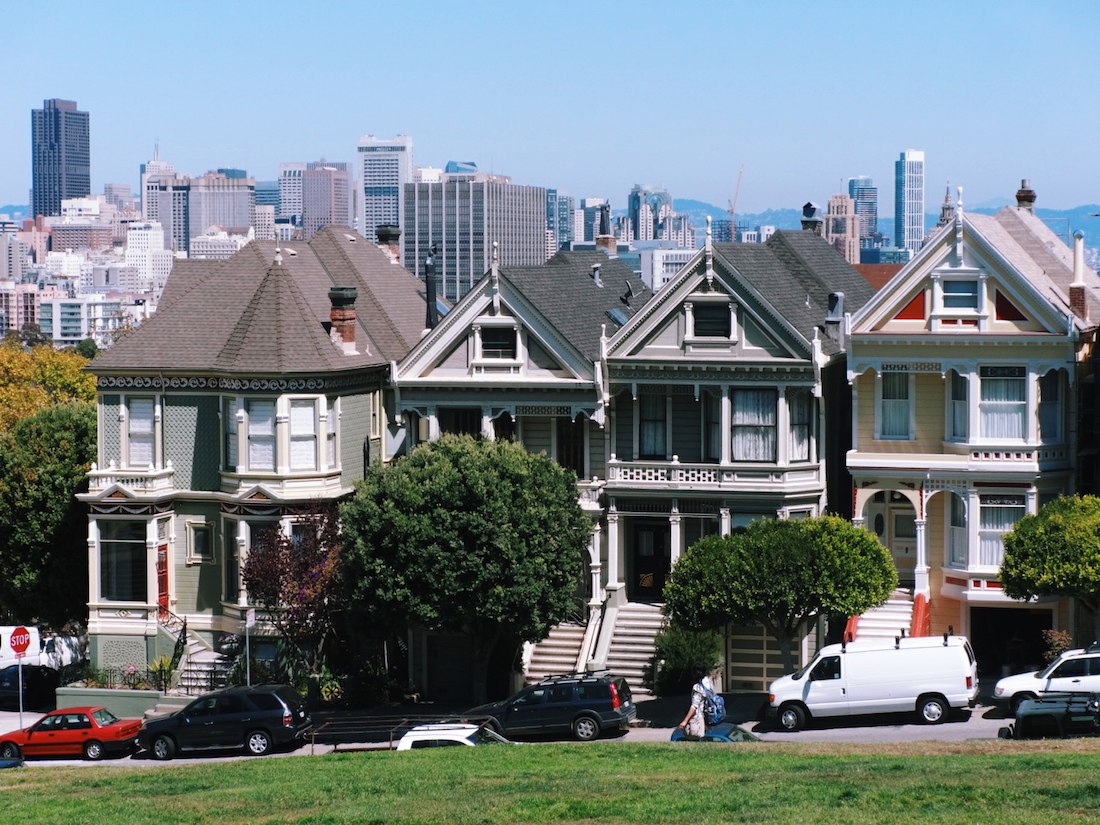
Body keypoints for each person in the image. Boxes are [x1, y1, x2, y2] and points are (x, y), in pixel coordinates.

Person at [677, 661, 710, 740]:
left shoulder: (698, 687)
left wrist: (685, 721)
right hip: (703, 716)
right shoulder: (707, 682)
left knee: (693, 738)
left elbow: (694, 706)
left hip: (696, 719)